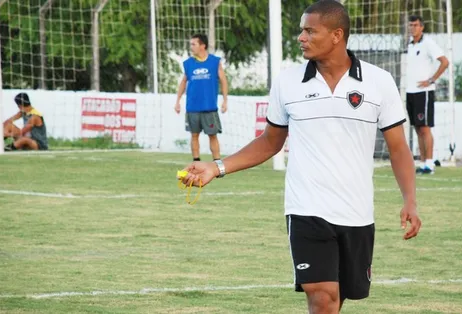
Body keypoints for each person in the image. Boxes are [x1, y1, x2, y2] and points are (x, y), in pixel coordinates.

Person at [179, 1, 422, 313]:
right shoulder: (287, 82)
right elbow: (270, 141)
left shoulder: (379, 82)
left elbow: (399, 148)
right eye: (301, 31)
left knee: (338, 299)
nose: (301, 37)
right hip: (306, 208)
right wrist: (217, 166)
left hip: (357, 212)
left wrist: (410, 201)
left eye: (310, 31)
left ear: (337, 35)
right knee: (322, 297)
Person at [174, 33, 229, 161]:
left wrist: (225, 100)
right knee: (194, 135)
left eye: (194, 44)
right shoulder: (188, 64)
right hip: (192, 107)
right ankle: (196, 161)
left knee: (213, 135)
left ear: (202, 46)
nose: (191, 47)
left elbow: (223, 80)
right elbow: (184, 81)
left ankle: (217, 162)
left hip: (209, 107)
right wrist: (177, 101)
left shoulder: (214, 62)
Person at [406, 15, 449, 175]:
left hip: (423, 93)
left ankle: (430, 164)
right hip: (410, 91)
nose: (413, 28)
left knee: (425, 128)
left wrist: (431, 80)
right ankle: (423, 162)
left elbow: (444, 62)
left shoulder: (428, 43)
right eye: (410, 25)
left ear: (422, 27)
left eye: (416, 25)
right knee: (417, 128)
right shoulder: (410, 44)